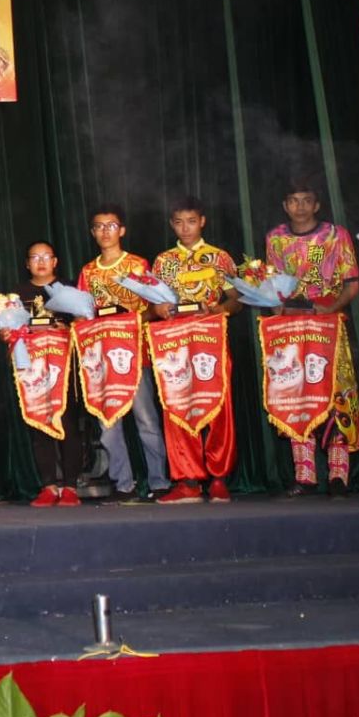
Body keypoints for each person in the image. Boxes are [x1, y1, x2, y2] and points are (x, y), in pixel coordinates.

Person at [265, 180, 359, 496]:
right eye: (293, 201)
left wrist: (329, 308)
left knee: (336, 395)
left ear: (317, 204)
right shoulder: (275, 239)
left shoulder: (336, 236)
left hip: (327, 327)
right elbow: (272, 285)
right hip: (290, 328)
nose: (300, 207)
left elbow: (352, 284)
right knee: (295, 396)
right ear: (285, 205)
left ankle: (338, 475)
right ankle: (304, 476)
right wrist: (274, 305)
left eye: (306, 200)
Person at [76, 206, 171, 502]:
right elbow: (82, 314)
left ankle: (159, 482)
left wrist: (127, 320)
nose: (105, 232)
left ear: (122, 230)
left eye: (111, 225)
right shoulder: (88, 272)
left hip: (134, 355)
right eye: (99, 226)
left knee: (146, 420)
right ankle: (123, 484)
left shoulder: (137, 265)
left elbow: (156, 308)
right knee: (108, 423)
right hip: (101, 361)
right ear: (93, 233)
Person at [149, 199, 240, 505]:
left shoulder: (219, 257)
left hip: (210, 340)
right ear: (171, 224)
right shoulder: (163, 261)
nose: (184, 228)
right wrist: (158, 308)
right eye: (178, 222)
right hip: (173, 343)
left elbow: (236, 301)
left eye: (191, 221)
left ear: (202, 221)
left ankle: (218, 478)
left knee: (217, 406)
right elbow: (153, 303)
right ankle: (188, 480)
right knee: (177, 406)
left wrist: (220, 308)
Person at [8, 240, 84, 507]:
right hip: (33, 369)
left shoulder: (68, 289)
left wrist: (64, 327)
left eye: (46, 257)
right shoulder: (17, 293)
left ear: (55, 262)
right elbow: (9, 329)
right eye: (34, 257)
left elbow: (84, 322)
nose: (40, 262)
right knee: (39, 423)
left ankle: (71, 486)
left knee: (69, 422)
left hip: (65, 366)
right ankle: (49, 486)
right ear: (27, 263)